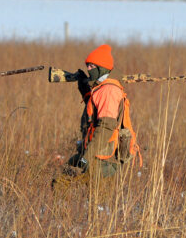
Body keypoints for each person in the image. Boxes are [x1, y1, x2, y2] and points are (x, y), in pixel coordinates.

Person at [60, 44, 140, 186]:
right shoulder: (102, 88)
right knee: (67, 171)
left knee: (63, 184)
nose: (88, 69)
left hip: (103, 158)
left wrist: (87, 157)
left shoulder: (108, 91)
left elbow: (106, 127)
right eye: (87, 65)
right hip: (98, 153)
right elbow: (94, 111)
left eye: (91, 66)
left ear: (101, 68)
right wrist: (83, 87)